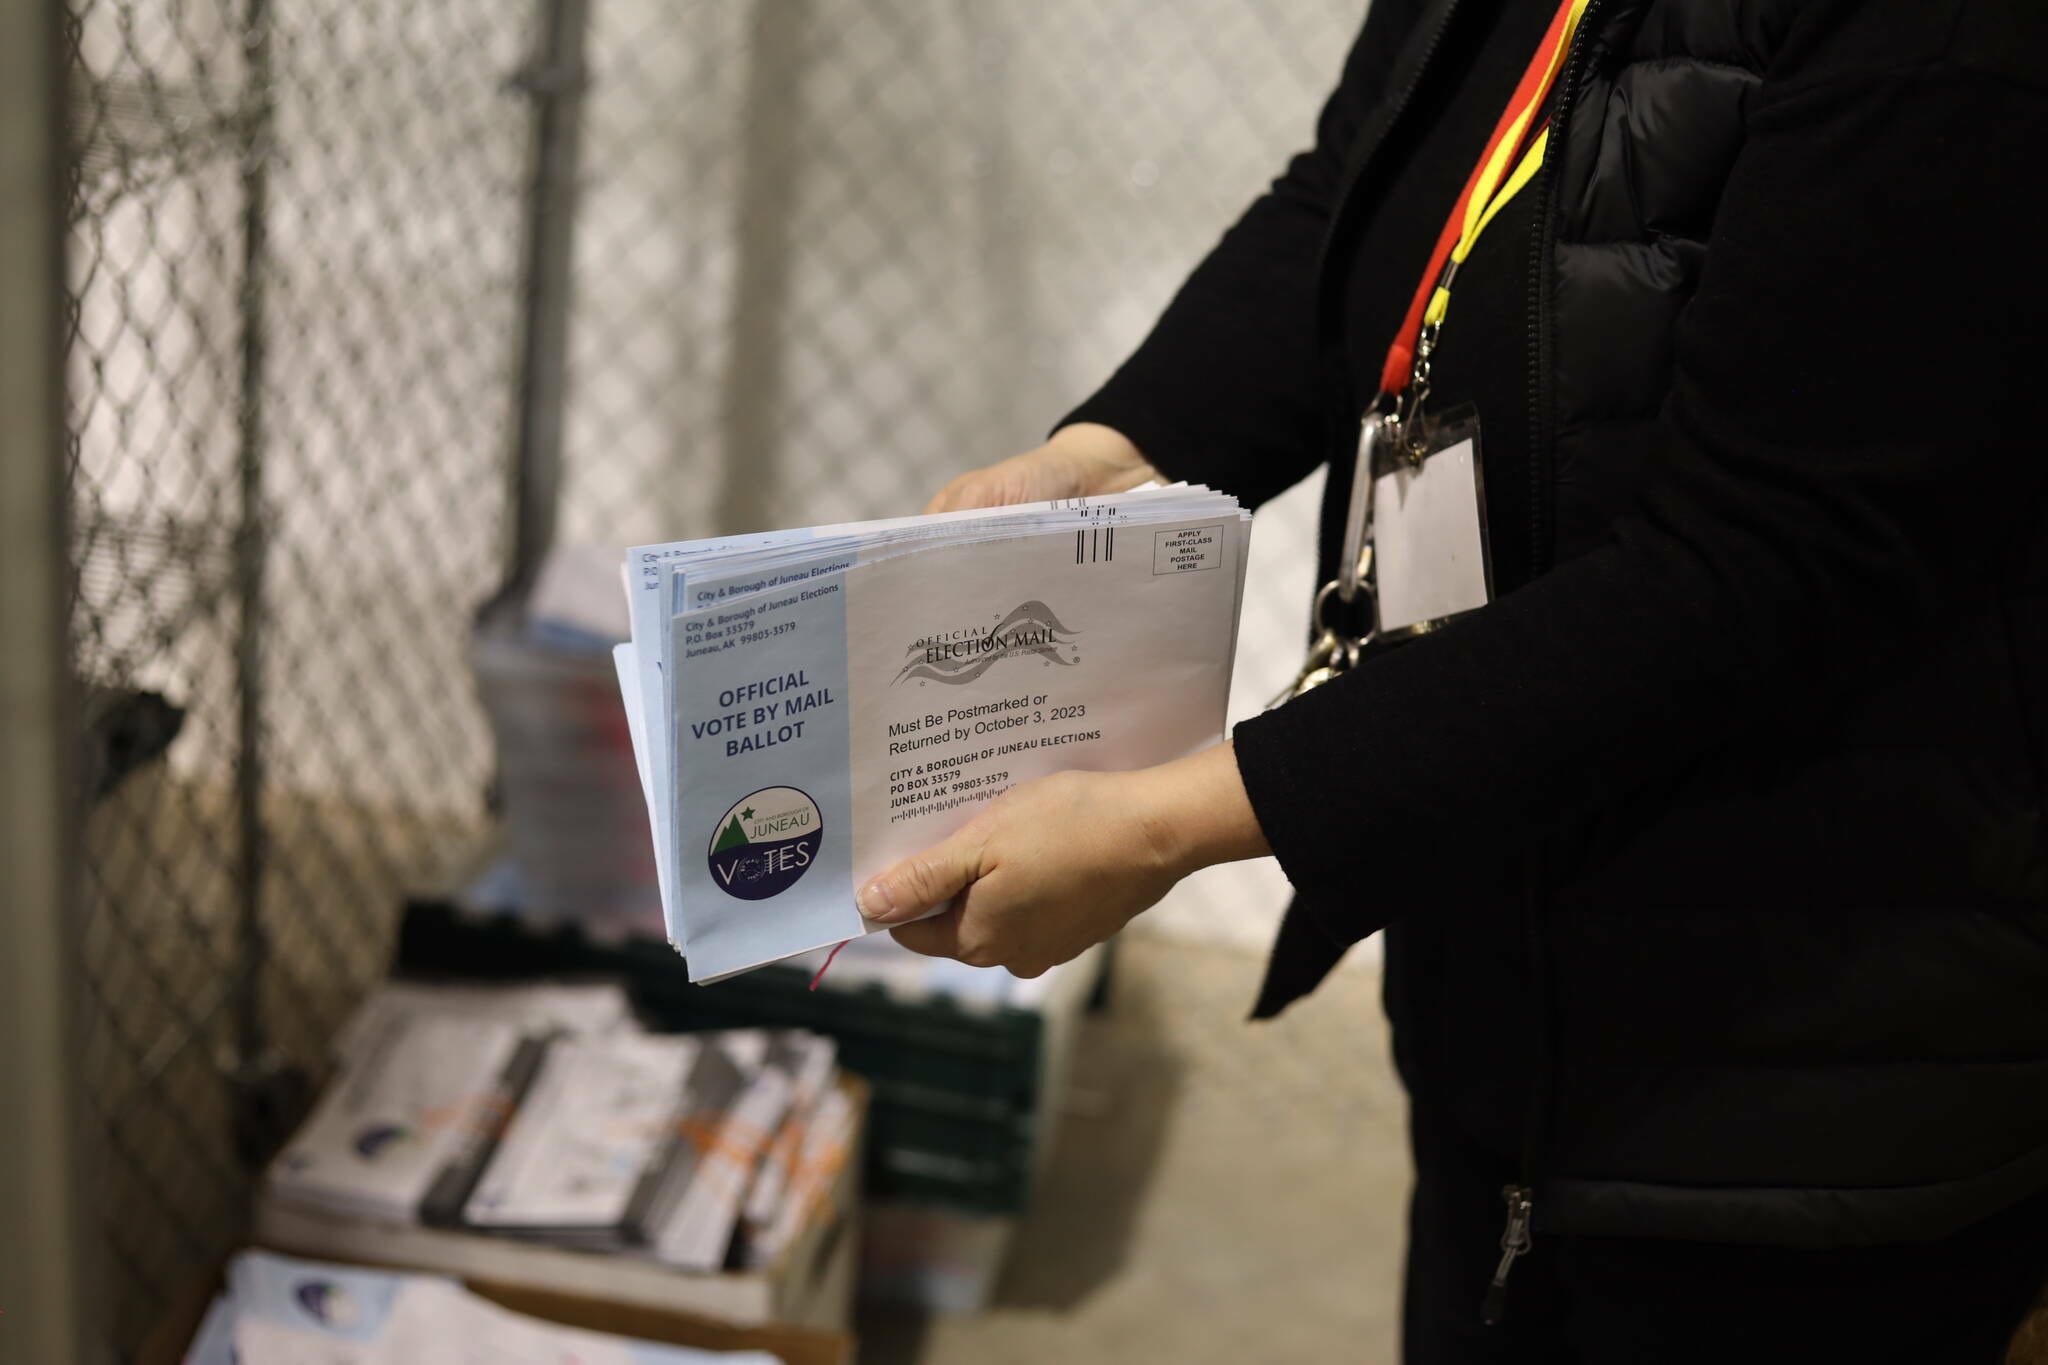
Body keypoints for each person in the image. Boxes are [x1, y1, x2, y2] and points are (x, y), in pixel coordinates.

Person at [855, 0, 2048, 1360]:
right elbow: (1353, 200)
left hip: (1796, 1093)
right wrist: (1107, 453)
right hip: (1507, 962)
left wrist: (1169, 821)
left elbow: (1760, 565)